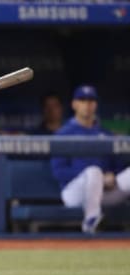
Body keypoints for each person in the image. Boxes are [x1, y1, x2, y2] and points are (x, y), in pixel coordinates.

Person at [50, 85, 130, 233]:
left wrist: (112, 176)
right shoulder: (64, 133)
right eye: (82, 100)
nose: (87, 104)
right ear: (74, 104)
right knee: (93, 171)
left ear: (96, 105)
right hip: (74, 194)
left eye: (91, 100)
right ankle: (90, 221)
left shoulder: (104, 133)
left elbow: (117, 164)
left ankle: (94, 214)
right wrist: (97, 177)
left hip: (103, 192)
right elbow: (59, 171)